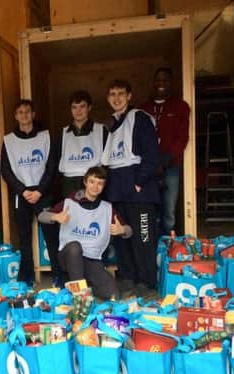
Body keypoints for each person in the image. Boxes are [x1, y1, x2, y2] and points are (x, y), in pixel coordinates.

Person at [101, 79, 160, 296]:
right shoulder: (113, 124)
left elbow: (153, 156)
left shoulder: (140, 118)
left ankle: (147, 281)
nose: (116, 98)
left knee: (143, 238)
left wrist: (138, 182)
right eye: (112, 94)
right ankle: (128, 277)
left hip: (139, 191)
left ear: (129, 96)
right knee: (121, 237)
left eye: (120, 94)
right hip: (117, 190)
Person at [38, 166, 132, 300]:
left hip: (92, 259)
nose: (95, 186)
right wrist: (55, 217)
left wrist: (122, 230)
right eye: (92, 182)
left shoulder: (107, 208)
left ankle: (87, 289)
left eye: (100, 183)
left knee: (113, 295)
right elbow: (41, 216)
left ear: (104, 186)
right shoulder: (70, 202)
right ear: (85, 182)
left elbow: (129, 231)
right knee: (75, 247)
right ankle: (80, 296)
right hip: (69, 255)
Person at [1, 99, 62, 286]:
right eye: (20, 112)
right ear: (15, 116)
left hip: (42, 193)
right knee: (24, 237)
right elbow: (6, 170)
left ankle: (58, 275)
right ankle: (26, 276)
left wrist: (40, 191)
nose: (24, 115)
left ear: (33, 114)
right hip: (22, 194)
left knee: (51, 235)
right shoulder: (8, 140)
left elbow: (52, 166)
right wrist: (23, 190)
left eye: (27, 111)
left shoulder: (45, 136)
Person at [139, 67, 190, 235]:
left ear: (171, 83)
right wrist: (151, 162)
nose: (161, 84)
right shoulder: (142, 109)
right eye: (158, 80)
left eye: (165, 80)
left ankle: (168, 244)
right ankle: (151, 245)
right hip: (147, 168)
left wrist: (166, 159)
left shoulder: (181, 107)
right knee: (150, 209)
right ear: (153, 83)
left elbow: (182, 137)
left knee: (169, 211)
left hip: (171, 166)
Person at [58, 90, 108, 196]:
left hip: (93, 182)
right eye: (74, 107)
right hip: (69, 184)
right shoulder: (63, 133)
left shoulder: (101, 130)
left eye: (82, 106)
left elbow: (107, 162)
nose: (78, 111)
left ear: (89, 108)